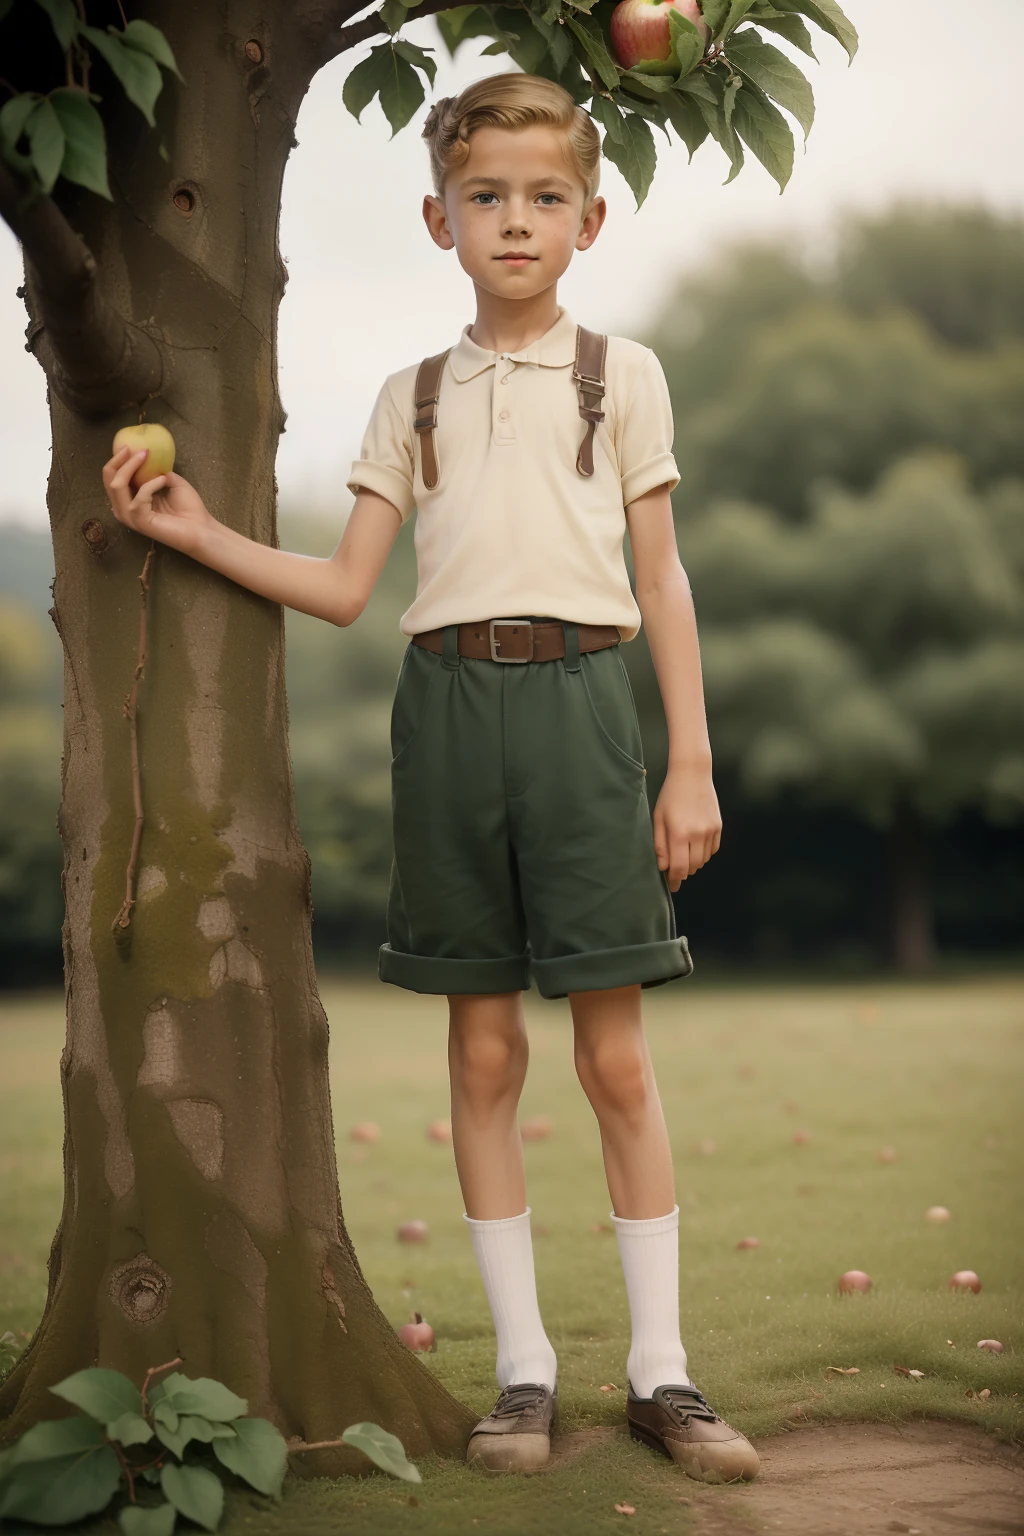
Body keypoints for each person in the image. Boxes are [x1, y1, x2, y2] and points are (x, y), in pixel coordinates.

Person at [101, 71, 758, 1485]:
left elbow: (665, 576)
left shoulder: (619, 374)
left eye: (542, 198)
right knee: (479, 1051)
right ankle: (522, 1376)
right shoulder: (410, 395)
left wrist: (689, 761)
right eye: (485, 197)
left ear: (589, 219)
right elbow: (346, 589)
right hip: (446, 713)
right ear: (438, 216)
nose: (513, 221)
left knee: (616, 1060)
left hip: (590, 709)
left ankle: (663, 1372)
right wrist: (199, 533)